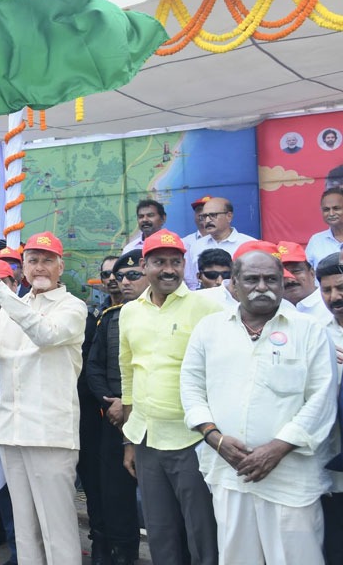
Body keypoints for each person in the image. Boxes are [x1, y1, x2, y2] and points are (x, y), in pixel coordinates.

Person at [181, 248, 336, 564]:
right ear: (234, 284)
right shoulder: (210, 329)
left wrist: (277, 449)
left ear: (282, 283)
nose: (262, 287)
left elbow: (322, 398)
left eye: (271, 279)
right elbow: (191, 387)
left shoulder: (309, 330)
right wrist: (215, 439)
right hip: (229, 473)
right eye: (252, 279)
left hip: (291, 477)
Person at [0, 231, 87, 565]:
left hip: (50, 434)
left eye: (47, 261)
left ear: (61, 267)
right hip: (11, 432)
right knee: (24, 531)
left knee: (57, 530)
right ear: (23, 268)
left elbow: (44, 333)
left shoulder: (73, 306)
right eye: (33, 260)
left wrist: (0, 291)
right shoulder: (13, 308)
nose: (39, 267)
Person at [118, 230, 222, 565]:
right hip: (146, 439)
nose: (168, 269)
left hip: (192, 439)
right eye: (159, 262)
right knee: (160, 531)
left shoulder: (206, 307)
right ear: (144, 266)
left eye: (175, 262)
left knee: (201, 532)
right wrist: (129, 441)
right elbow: (128, 373)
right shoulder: (130, 312)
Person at [85, 250, 147, 565]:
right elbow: (93, 367)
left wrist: (129, 402)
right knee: (115, 495)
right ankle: (122, 554)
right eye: (119, 276)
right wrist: (110, 402)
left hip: (152, 419)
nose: (123, 281)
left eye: (132, 275)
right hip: (114, 419)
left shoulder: (163, 316)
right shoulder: (109, 317)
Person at [79, 255, 119, 564]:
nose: (113, 279)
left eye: (119, 273)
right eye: (106, 274)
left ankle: (123, 545)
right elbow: (88, 365)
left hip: (127, 409)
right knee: (95, 480)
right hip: (94, 411)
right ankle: (102, 541)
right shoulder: (93, 315)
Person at [316, 252, 343, 564]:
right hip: (331, 463)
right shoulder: (316, 332)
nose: (334, 297)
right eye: (327, 290)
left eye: (341, 288)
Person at [184, 197, 254, 291]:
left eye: (213, 215)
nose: (207, 220)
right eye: (204, 216)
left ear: (229, 216)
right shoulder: (196, 246)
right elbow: (193, 282)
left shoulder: (249, 244)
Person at [278, 241, 333, 319]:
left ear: (312, 273)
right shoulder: (272, 309)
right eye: (283, 273)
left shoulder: (332, 303)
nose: (290, 279)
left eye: (296, 271)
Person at [306, 187, 343, 269]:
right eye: (326, 210)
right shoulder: (316, 240)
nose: (331, 213)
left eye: (336, 208)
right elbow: (307, 271)